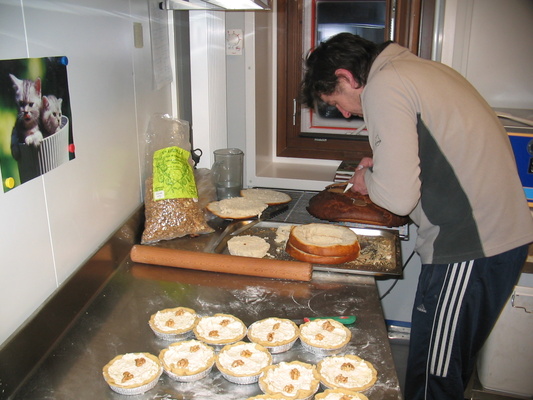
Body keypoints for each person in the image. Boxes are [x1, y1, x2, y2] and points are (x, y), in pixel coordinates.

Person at [300, 32, 533, 400]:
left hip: (469, 246)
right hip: (497, 240)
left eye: (337, 101)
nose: (345, 113)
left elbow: (396, 198)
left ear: (346, 77)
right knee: (452, 365)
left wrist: (367, 180)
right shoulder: (419, 70)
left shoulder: (384, 86)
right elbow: (440, 150)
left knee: (433, 377)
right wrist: (381, 168)